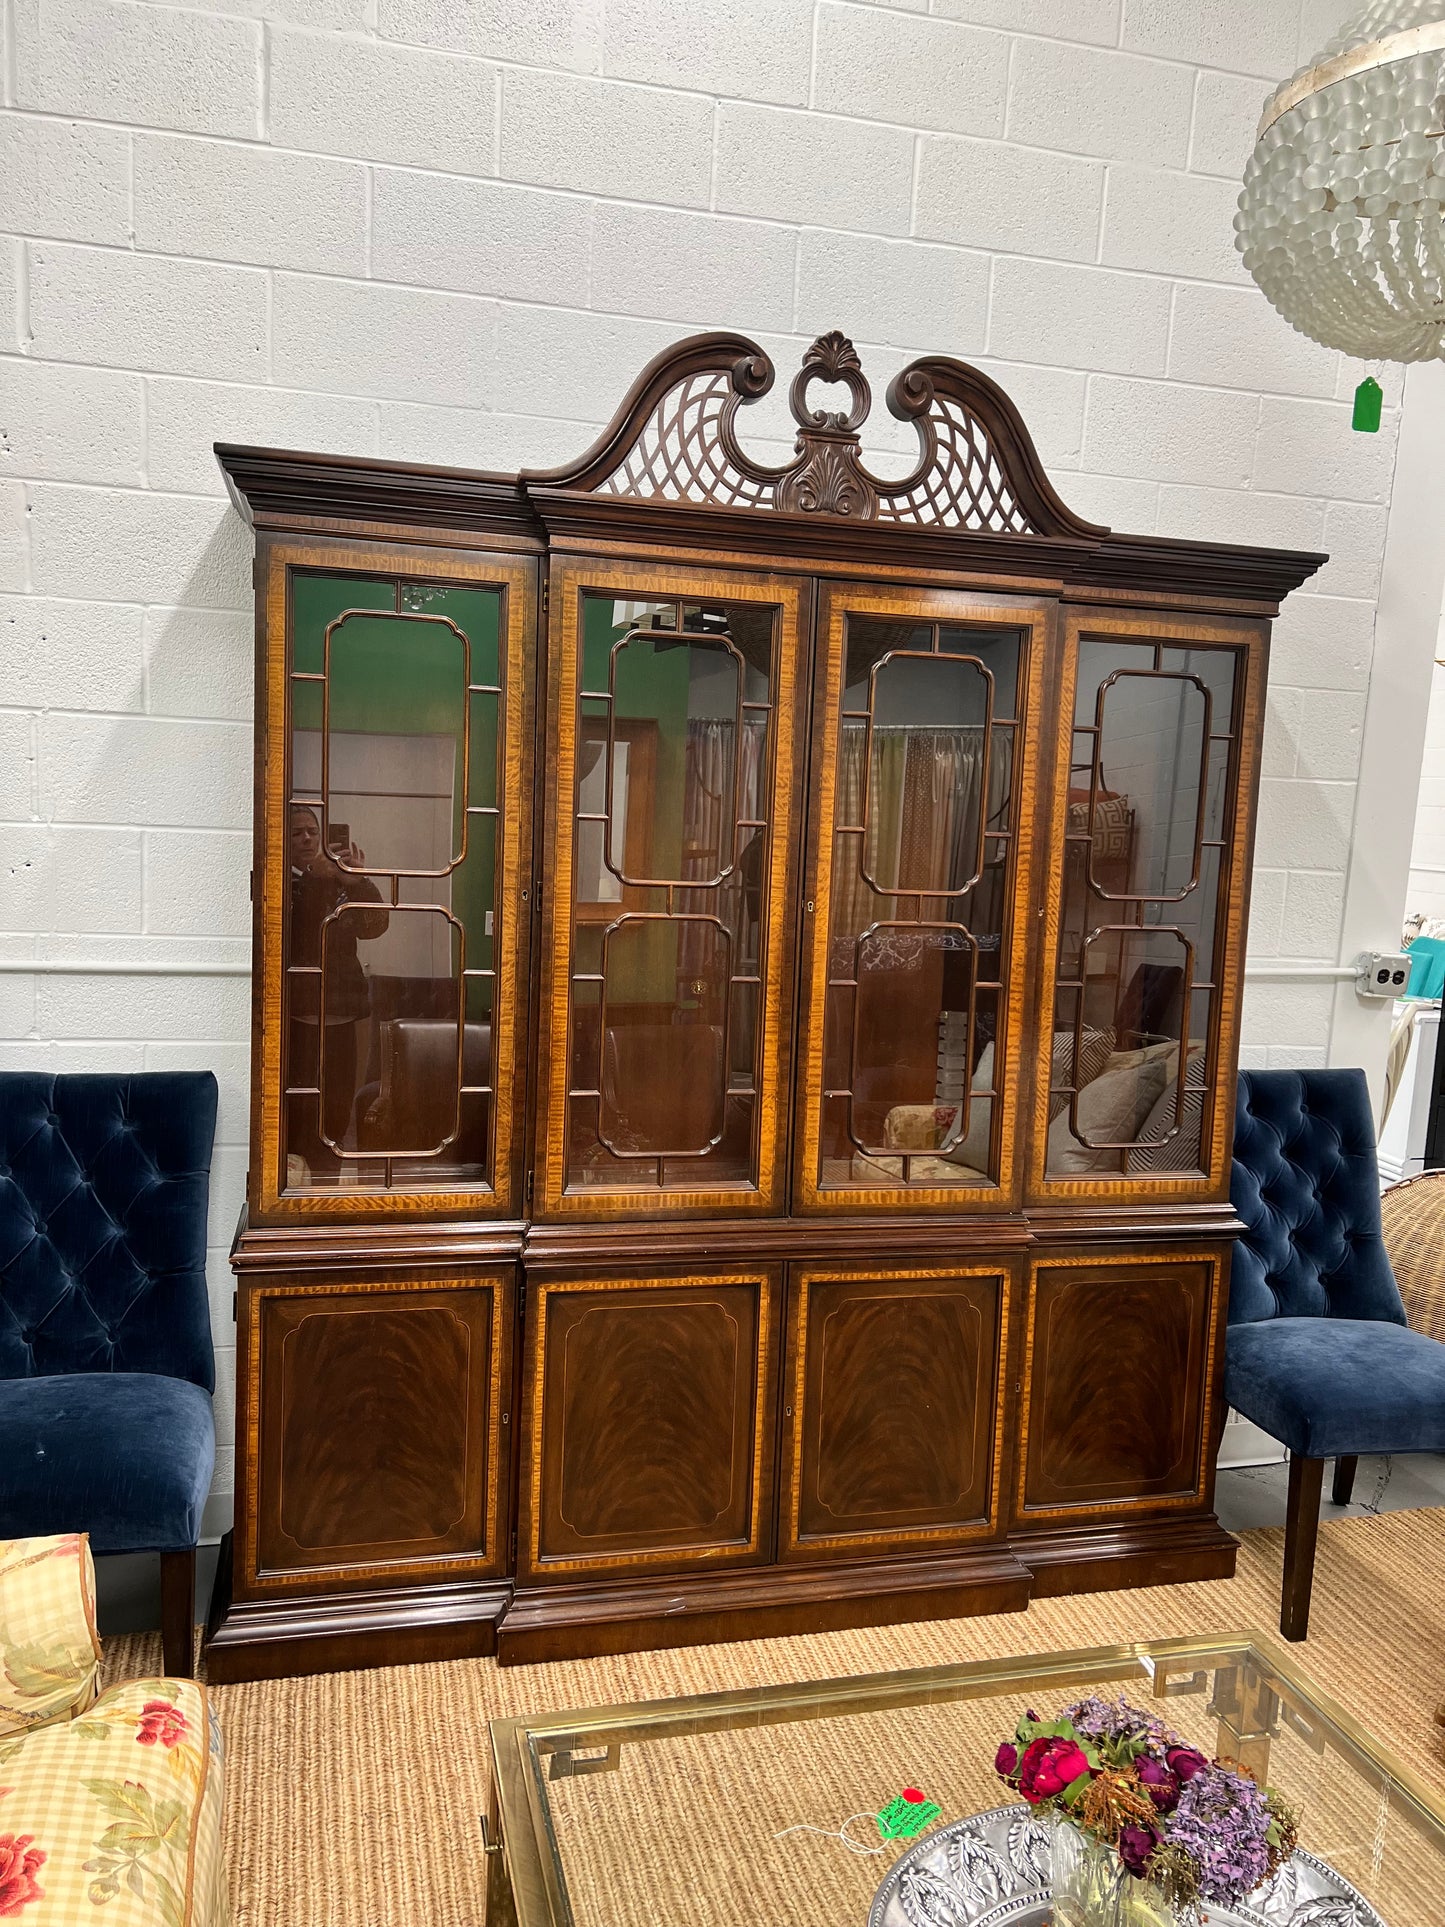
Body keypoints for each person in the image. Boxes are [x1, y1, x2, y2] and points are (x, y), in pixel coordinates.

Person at [287, 805, 389, 1179]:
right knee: (301, 1097)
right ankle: (299, 1169)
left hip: (346, 1011)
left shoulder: (341, 882)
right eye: (297, 832)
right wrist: (316, 877)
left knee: (339, 1099)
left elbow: (375, 925)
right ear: (284, 840)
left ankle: (329, 1168)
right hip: (299, 1011)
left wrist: (358, 881)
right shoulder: (285, 883)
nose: (307, 838)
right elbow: (301, 932)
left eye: (312, 831)